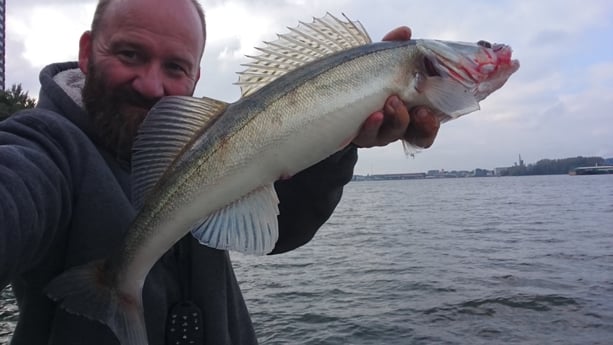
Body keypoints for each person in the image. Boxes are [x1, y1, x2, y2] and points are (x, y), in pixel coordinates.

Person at [0, 0, 440, 344]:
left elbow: (281, 228)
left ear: (195, 78)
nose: (152, 85)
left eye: (175, 66)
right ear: (86, 53)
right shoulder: (46, 146)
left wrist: (341, 138)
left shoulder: (206, 148)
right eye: (130, 54)